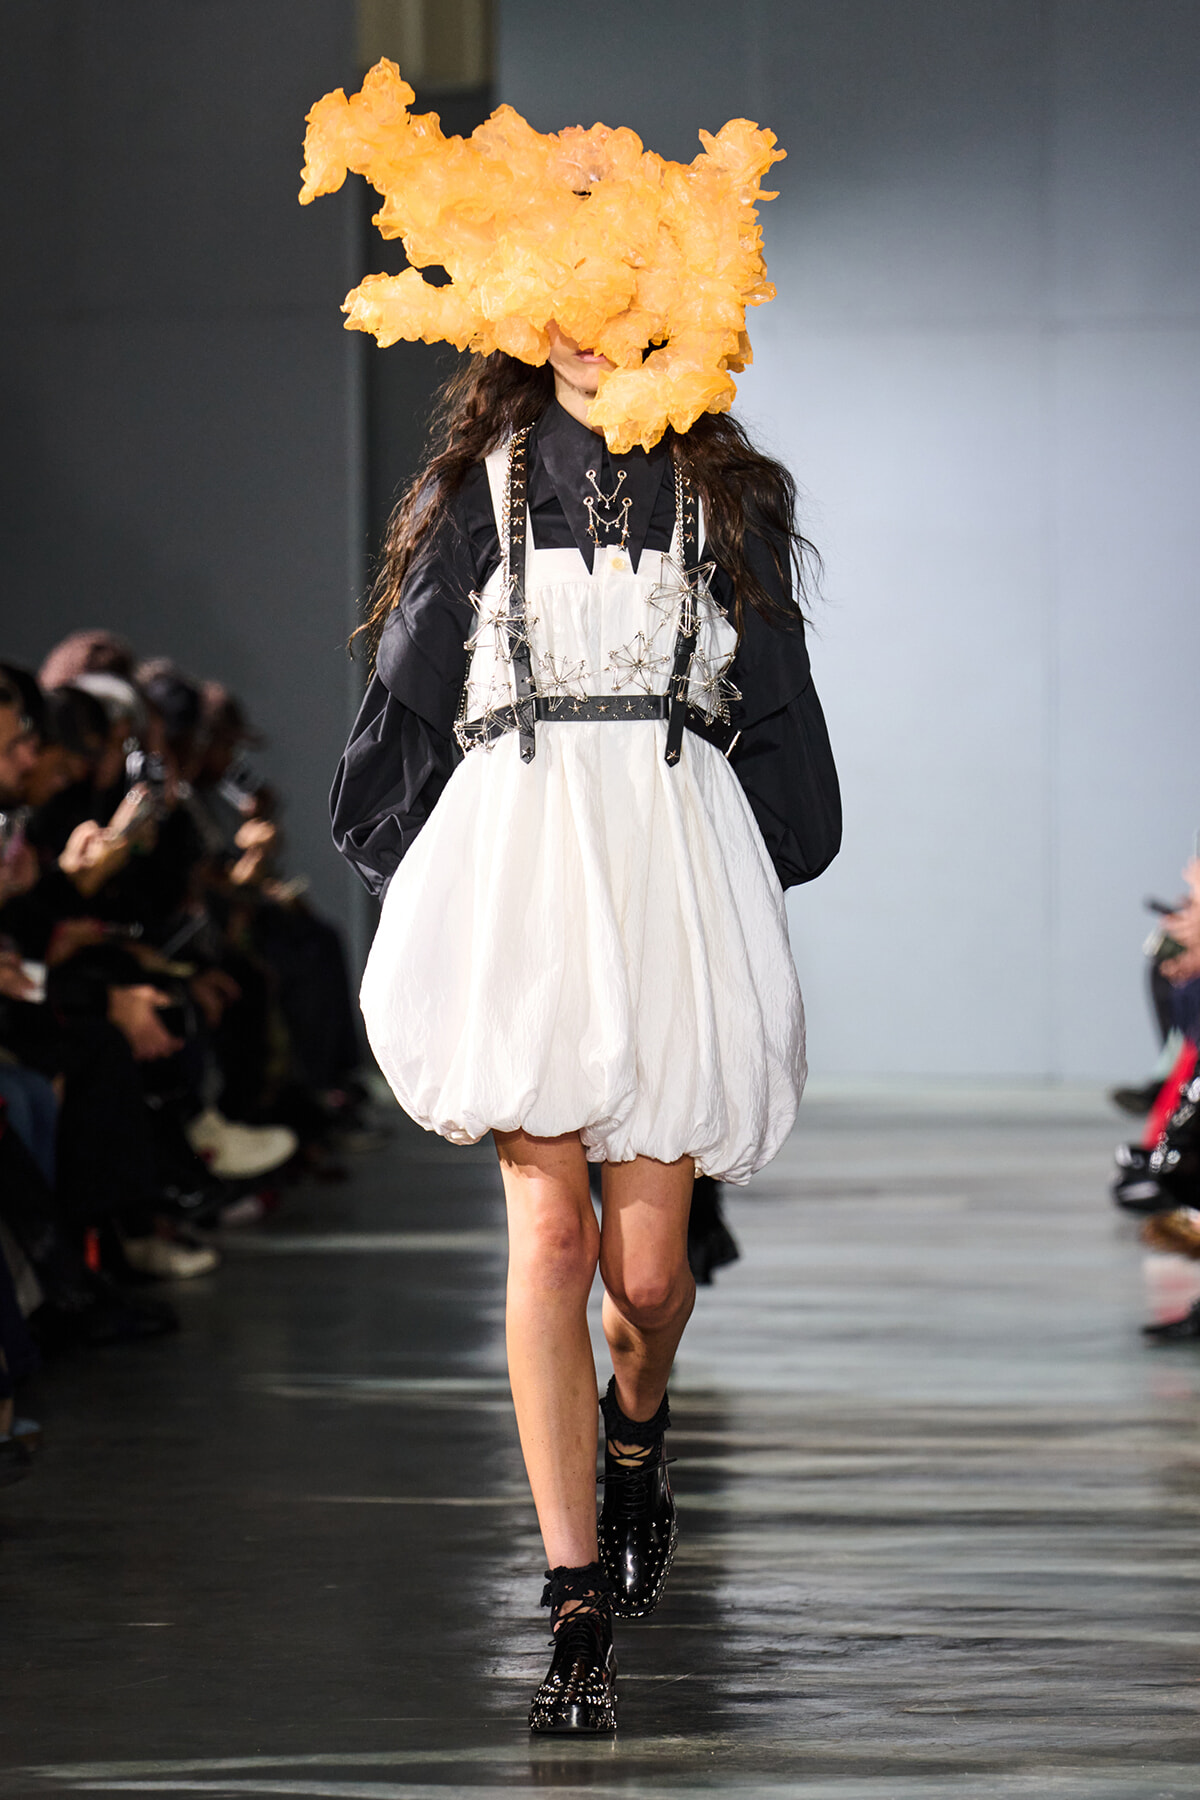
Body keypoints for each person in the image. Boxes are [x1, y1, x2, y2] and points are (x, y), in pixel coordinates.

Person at [318, 79, 841, 1734]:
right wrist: (430, 892)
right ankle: (571, 1600)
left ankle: (638, 1432)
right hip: (532, 868)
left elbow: (776, 705)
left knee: (651, 1279)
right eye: (565, 292)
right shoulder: (473, 492)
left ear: (669, 292)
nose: (594, 327)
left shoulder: (731, 500)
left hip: (669, 871)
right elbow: (409, 714)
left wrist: (772, 856)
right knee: (549, 1235)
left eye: (624, 290)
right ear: (519, 301)